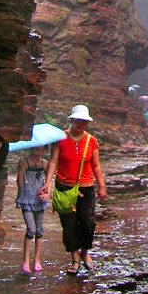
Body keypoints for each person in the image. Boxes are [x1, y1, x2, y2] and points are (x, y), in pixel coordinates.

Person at [38, 104, 107, 274]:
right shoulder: (60, 138)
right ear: (72, 120)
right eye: (78, 120)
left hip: (86, 188)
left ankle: (85, 253)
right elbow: (53, 161)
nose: (80, 123)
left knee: (88, 223)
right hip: (64, 187)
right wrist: (48, 182)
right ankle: (75, 259)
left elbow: (96, 166)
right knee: (69, 226)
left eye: (84, 121)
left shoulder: (91, 141)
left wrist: (102, 186)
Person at [16, 145, 49, 275]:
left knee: (39, 229)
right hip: (26, 199)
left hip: (40, 200)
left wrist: (47, 192)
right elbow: (19, 184)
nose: (39, 153)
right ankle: (25, 260)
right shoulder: (25, 161)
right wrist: (21, 169)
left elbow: (49, 179)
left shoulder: (44, 163)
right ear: (31, 149)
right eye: (36, 150)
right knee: (31, 228)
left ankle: (37, 259)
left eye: (42, 150)